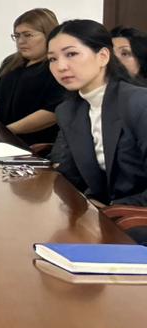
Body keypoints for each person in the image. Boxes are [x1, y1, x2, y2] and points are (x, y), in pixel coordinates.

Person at [48, 20, 147, 210]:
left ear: (103, 56)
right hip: (102, 213)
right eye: (52, 59)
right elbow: (69, 175)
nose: (60, 66)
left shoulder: (139, 102)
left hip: (135, 216)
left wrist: (112, 209)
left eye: (71, 54)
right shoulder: (68, 111)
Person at [0, 7, 65, 145]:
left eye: (28, 35)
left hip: (35, 145)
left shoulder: (57, 67)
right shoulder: (10, 63)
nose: (21, 41)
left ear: (49, 35)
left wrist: (6, 131)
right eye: (17, 36)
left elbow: (52, 113)